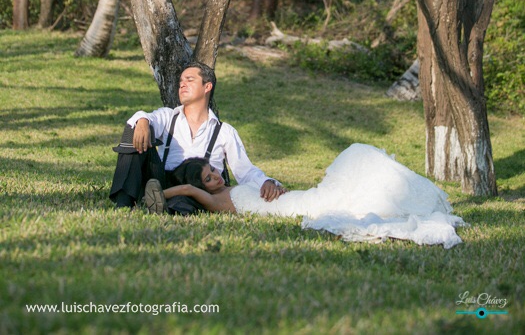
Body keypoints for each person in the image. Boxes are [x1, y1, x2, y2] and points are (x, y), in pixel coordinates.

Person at [144, 145, 466, 249]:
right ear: (200, 186)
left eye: (213, 171)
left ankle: (417, 194)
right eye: (207, 179)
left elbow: (260, 183)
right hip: (297, 208)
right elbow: (185, 190)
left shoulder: (229, 188)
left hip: (295, 196)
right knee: (355, 163)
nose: (215, 177)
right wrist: (153, 195)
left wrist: (272, 184)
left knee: (359, 155)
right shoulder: (213, 201)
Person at [109, 61, 284, 214]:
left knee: (186, 202)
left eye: (189, 80)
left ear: (207, 87)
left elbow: (244, 170)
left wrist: (267, 182)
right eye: (181, 82)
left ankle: (166, 208)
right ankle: (124, 204)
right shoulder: (169, 117)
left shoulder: (224, 131)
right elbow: (147, 118)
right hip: (161, 181)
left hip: (200, 189)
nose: (182, 85)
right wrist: (142, 119)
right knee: (133, 130)